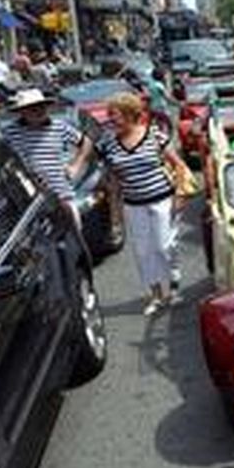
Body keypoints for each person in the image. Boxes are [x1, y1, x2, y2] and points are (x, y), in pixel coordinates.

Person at [95, 92, 187, 315]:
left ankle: (173, 283)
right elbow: (114, 181)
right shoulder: (110, 145)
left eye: (114, 115)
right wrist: (116, 214)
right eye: (109, 116)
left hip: (162, 199)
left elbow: (178, 165)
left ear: (129, 114)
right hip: (133, 204)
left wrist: (180, 194)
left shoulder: (154, 135)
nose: (111, 120)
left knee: (163, 246)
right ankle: (156, 295)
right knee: (143, 251)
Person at [3, 88, 92, 224]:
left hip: (62, 195)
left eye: (41, 107)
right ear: (22, 112)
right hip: (30, 201)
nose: (39, 111)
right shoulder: (10, 132)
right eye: (33, 108)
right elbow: (4, 158)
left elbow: (86, 142)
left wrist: (76, 165)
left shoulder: (59, 127)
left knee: (72, 234)